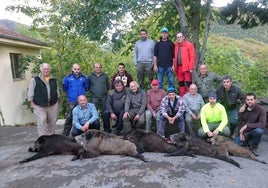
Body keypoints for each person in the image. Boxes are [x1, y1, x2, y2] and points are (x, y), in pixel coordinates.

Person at [28, 63, 59, 136]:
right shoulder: (35, 79)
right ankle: (42, 139)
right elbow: (31, 91)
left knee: (52, 122)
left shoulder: (54, 79)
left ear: (50, 70)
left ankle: (51, 139)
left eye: (48, 69)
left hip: (53, 105)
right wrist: (31, 102)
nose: (46, 70)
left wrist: (57, 100)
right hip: (39, 105)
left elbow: (57, 91)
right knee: (42, 121)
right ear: (41, 69)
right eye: (44, 69)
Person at [62, 63, 89, 136]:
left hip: (82, 102)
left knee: (83, 117)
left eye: (78, 69)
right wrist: (71, 95)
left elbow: (86, 88)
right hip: (72, 101)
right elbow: (65, 88)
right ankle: (65, 135)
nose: (76, 71)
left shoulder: (83, 78)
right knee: (69, 118)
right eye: (75, 69)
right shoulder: (67, 78)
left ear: (80, 69)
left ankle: (83, 134)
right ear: (72, 69)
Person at [173, 32, 196, 97]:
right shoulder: (175, 45)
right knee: (181, 83)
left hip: (186, 67)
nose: (179, 38)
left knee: (188, 83)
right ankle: (182, 97)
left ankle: (190, 97)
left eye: (180, 37)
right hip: (178, 67)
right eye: (178, 37)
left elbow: (192, 56)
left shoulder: (189, 45)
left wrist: (191, 67)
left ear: (183, 37)